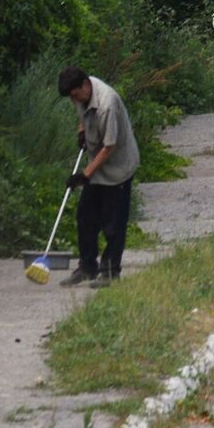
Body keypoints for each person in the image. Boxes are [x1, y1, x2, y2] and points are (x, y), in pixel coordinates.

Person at [57, 66, 139, 288]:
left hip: (118, 166)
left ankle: (110, 271)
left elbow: (109, 146)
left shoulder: (108, 105)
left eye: (75, 95)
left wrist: (84, 175)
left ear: (85, 85)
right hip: (98, 160)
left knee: (113, 222)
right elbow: (81, 112)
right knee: (85, 217)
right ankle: (87, 267)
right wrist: (82, 131)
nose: (74, 100)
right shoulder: (80, 93)